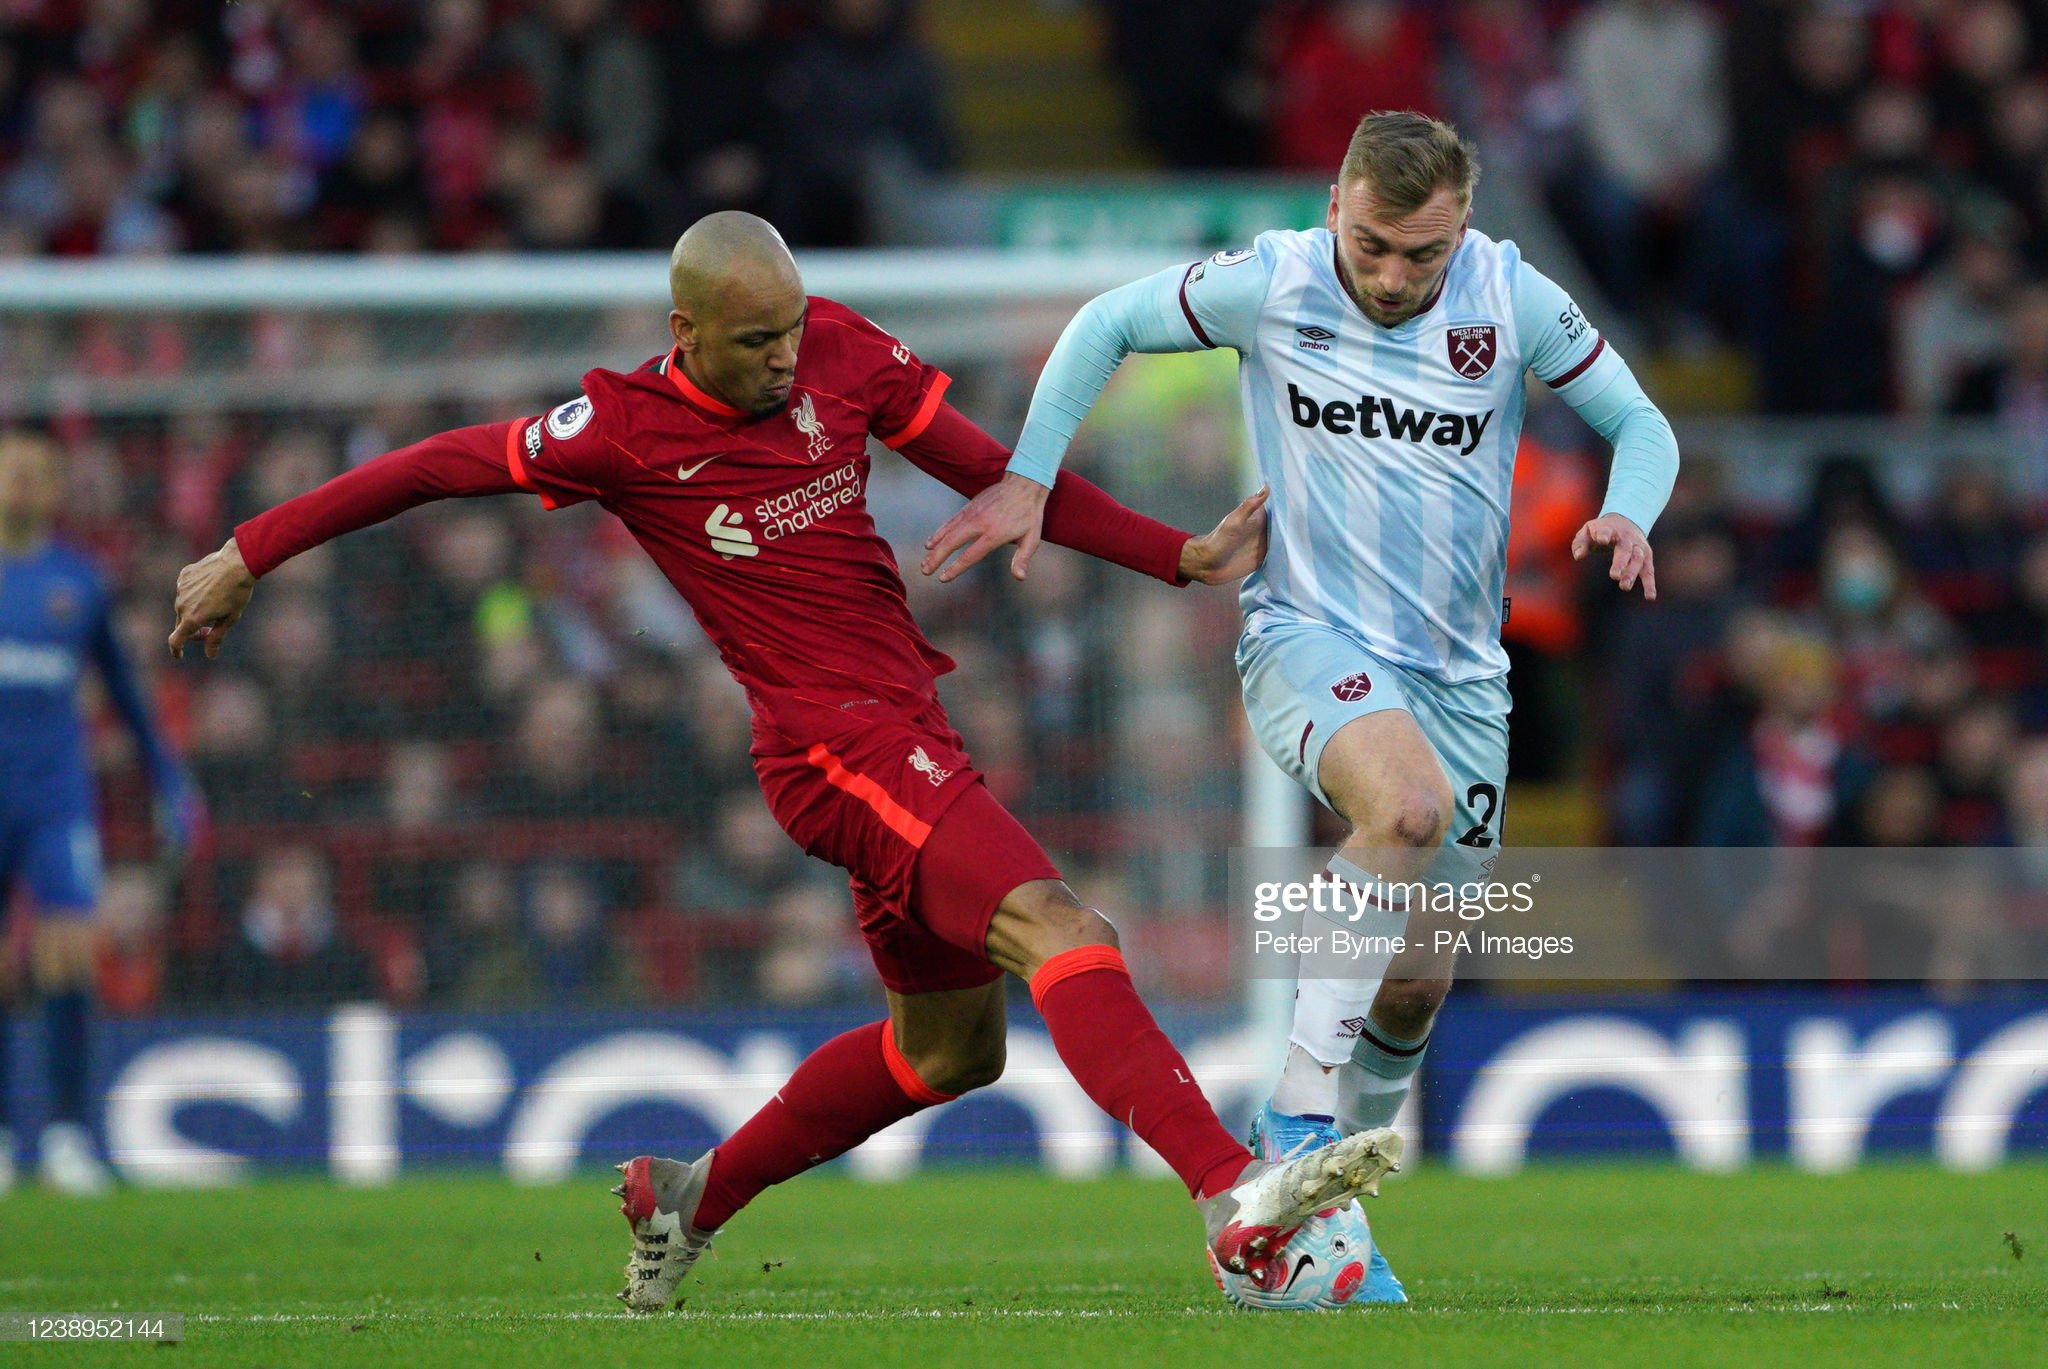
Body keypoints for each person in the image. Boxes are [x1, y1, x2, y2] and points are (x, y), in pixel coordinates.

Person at [167, 211, 1404, 1310]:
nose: (781, 362)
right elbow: (433, 464)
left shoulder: (840, 350)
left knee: (946, 1053)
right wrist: (250, 549)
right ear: (686, 330)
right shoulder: (622, 427)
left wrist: (1174, 556)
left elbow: (991, 472)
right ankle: (1230, 1193)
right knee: (1062, 928)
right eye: (754, 342)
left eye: (790, 332)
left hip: (905, 723)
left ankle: (688, 1198)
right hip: (827, 744)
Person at [924, 111, 1678, 1301]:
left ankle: (1327, 1230)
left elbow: (1639, 421)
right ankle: (1289, 1124)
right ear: (1336, 204)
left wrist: (1629, 510)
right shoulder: (1270, 282)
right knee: (1407, 808)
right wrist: (1027, 474)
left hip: (1462, 677)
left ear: (1461, 230)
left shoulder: (1509, 295)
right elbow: (1104, 322)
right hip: (1301, 637)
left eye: (1417, 255)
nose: (1389, 276)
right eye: (1371, 243)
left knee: (1419, 980)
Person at [0, 431, 201, 1196]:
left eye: (36, 474)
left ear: (54, 490)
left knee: (66, 954)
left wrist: (169, 780)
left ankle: (65, 1135)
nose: (21, 485)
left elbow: (126, 697)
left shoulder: (78, 583)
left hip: (55, 799)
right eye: (11, 471)